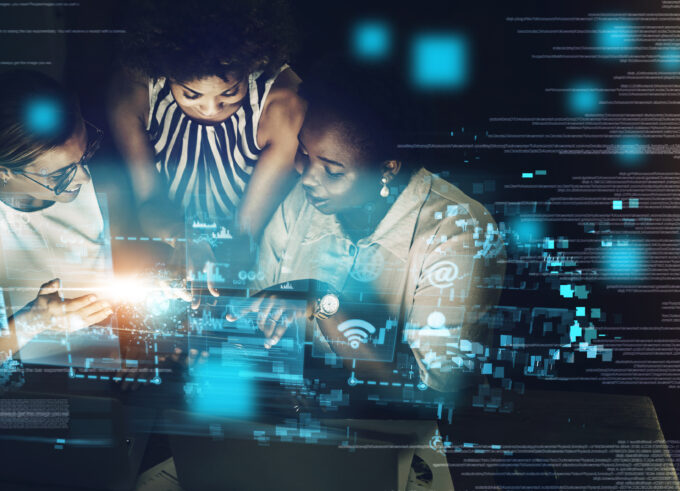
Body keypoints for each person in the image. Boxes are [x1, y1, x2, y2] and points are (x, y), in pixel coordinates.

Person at [244, 72, 506, 392]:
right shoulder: (301, 202)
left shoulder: (460, 231)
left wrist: (324, 301)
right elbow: (253, 316)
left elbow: (435, 389)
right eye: (304, 154)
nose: (308, 177)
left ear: (387, 170)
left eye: (332, 171)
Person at [108, 0, 305, 296]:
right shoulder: (134, 93)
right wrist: (185, 241)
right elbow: (148, 202)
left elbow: (246, 231)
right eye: (190, 94)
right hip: (166, 248)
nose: (210, 108)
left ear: (251, 63)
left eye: (229, 92)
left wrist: (210, 261)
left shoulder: (281, 103)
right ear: (165, 72)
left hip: (246, 262)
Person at [0, 69, 115, 362]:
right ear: (3, 171)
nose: (83, 178)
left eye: (83, 157)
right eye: (60, 174)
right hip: (25, 385)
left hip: (109, 372)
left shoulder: (101, 177)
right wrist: (34, 320)